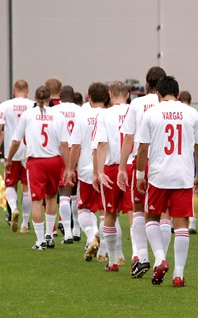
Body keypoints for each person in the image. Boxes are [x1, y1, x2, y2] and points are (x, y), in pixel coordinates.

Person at [135, 76, 198, 287]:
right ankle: (178, 274)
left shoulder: (151, 113)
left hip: (158, 175)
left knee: (151, 217)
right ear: (177, 94)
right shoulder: (191, 112)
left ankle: (159, 258)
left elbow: (142, 148)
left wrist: (140, 176)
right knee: (181, 224)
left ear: (158, 94)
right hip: (183, 175)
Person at [117, 66, 167, 278]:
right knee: (163, 212)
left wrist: (121, 167)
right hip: (164, 160)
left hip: (140, 160)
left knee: (138, 209)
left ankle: (140, 256)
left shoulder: (136, 104)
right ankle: (160, 257)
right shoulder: (169, 105)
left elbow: (128, 137)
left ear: (147, 85)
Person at [5, 85, 69, 250]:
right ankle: (49, 234)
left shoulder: (28, 115)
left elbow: (16, 140)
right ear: (50, 99)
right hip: (54, 160)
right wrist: (68, 167)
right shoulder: (59, 115)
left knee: (36, 201)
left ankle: (40, 241)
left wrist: (9, 158)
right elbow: (64, 144)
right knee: (51, 197)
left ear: (35, 98)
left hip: (36, 162)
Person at [65, 82, 108, 261]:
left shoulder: (82, 115)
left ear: (89, 97)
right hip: (105, 170)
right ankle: (104, 251)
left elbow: (75, 146)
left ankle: (92, 236)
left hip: (86, 170)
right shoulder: (109, 115)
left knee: (84, 208)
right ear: (106, 98)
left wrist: (69, 168)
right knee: (106, 212)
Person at [93, 81, 132, 272]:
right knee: (135, 212)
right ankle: (138, 256)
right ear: (127, 94)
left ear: (110, 94)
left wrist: (99, 173)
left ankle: (113, 260)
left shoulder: (104, 114)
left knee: (110, 213)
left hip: (112, 167)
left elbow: (101, 144)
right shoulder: (135, 111)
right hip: (132, 166)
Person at [0, 80, 35, 233]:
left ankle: (14, 209)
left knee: (10, 184)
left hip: (12, 150)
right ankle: (25, 222)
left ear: (13, 90)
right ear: (27, 90)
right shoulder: (33, 105)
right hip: (28, 151)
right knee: (26, 188)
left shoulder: (5, 105)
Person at [178, 90, 198, 234]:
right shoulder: (197, 116)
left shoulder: (176, 114)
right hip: (193, 155)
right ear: (190, 101)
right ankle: (192, 223)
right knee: (194, 191)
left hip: (179, 155)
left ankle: (175, 222)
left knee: (176, 189)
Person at [54, 85, 82, 243]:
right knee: (76, 193)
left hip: (63, 153)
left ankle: (67, 233)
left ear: (59, 96)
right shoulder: (80, 110)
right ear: (73, 96)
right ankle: (77, 229)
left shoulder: (55, 111)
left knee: (63, 193)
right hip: (78, 152)